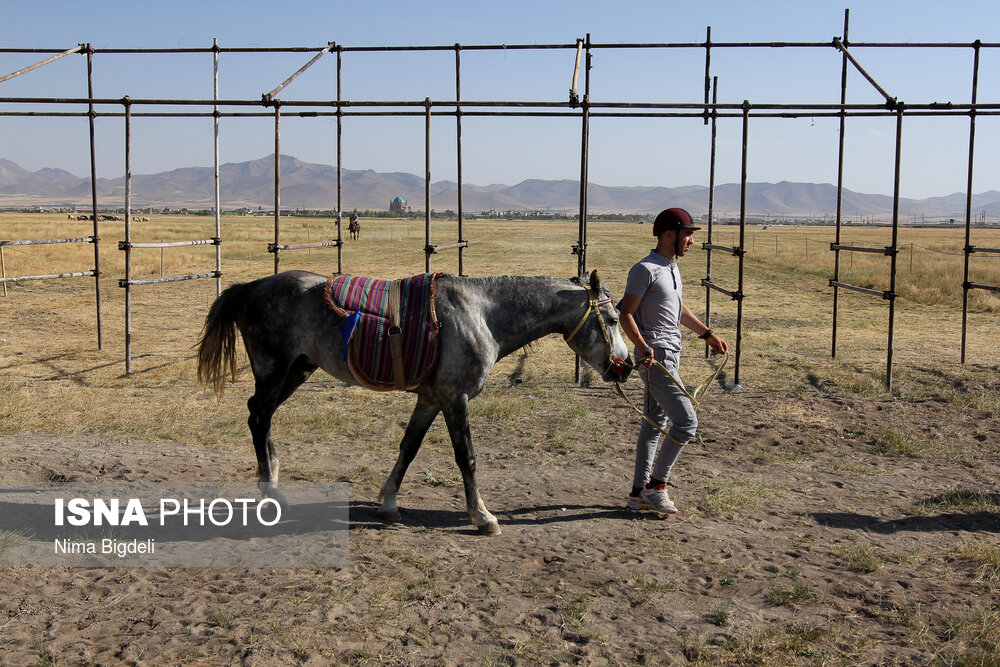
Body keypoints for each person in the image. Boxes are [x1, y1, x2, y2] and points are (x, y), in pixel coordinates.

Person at [619, 207, 728, 514]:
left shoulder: (670, 267)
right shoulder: (645, 269)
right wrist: (642, 346)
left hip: (670, 355)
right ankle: (657, 486)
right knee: (686, 422)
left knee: (654, 425)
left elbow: (678, 310)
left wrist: (707, 333)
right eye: (688, 234)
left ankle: (638, 493)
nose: (691, 241)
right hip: (657, 358)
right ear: (670, 234)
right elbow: (625, 313)